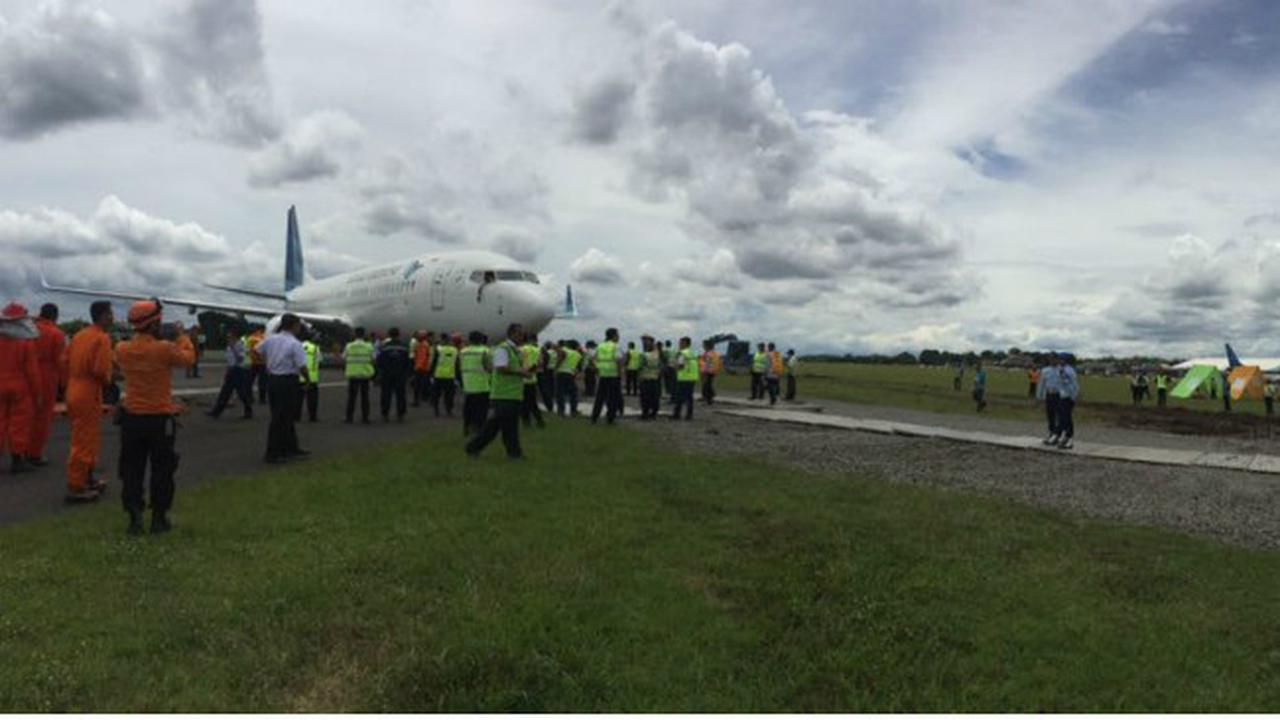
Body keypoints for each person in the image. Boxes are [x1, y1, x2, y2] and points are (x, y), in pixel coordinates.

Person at [114, 300, 195, 535]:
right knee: (162, 470)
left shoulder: (121, 348)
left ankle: (134, 518)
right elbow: (189, 359)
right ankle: (159, 518)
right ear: (154, 323)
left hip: (131, 419)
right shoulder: (164, 348)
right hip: (159, 419)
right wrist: (181, 336)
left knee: (131, 470)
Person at [65, 300, 114, 502]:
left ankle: (87, 478)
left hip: (74, 387)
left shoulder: (79, 335)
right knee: (84, 440)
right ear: (102, 316)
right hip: (88, 391)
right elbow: (100, 370)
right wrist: (111, 379)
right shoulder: (101, 338)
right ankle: (76, 486)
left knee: (87, 437)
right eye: (110, 313)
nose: (112, 317)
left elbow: (65, 359)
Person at [466, 323, 529, 459]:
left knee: (510, 427)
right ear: (511, 334)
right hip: (503, 395)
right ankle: (473, 447)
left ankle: (514, 453)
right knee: (494, 427)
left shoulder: (515, 350)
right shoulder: (503, 349)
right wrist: (521, 373)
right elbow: (501, 368)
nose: (522, 336)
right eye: (519, 333)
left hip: (513, 395)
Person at [257, 314, 309, 464]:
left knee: (285, 416)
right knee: (280, 418)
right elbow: (302, 366)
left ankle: (291, 448)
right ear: (293, 326)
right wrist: (307, 379)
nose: (299, 328)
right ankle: (272, 453)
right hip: (288, 381)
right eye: (298, 325)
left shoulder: (271, 339)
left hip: (273, 380)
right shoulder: (294, 343)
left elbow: (257, 350)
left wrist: (268, 364)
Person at [0, 303, 42, 475]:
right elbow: (32, 371)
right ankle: (17, 460)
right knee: (19, 424)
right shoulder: (24, 342)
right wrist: (37, 393)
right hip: (19, 387)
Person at [27, 303, 66, 466]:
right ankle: (34, 453)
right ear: (55, 316)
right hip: (47, 377)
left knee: (25, 415)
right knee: (42, 418)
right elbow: (61, 361)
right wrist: (64, 385)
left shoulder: (29, 329)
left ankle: (19, 450)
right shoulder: (56, 334)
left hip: (26, 375)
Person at [206, 328, 253, 419]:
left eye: (230, 337)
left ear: (235, 337)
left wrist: (233, 348)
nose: (228, 338)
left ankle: (248, 410)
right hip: (232, 370)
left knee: (241, 393)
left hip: (239, 370)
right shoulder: (229, 345)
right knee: (225, 392)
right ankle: (216, 411)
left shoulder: (241, 345)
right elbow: (229, 359)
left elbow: (240, 358)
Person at [459, 331, 492, 436]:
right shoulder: (484, 351)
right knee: (481, 409)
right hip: (482, 384)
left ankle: (466, 426)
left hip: (468, 384)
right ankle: (479, 428)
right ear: (481, 340)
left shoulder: (463, 351)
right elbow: (488, 367)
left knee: (468, 408)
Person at [377, 327, 411, 422]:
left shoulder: (384, 347)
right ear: (398, 334)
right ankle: (401, 414)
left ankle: (385, 414)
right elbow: (407, 362)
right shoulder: (404, 347)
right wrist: (407, 374)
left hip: (387, 374)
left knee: (386, 395)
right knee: (400, 394)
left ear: (389, 335)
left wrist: (379, 374)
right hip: (400, 374)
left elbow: (380, 362)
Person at [591, 328, 624, 424]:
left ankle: (594, 417)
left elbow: (592, 358)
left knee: (600, 397)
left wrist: (597, 367)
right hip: (613, 374)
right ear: (614, 336)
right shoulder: (615, 346)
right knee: (612, 397)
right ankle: (610, 418)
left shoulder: (600, 346)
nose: (618, 337)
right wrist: (620, 373)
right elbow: (618, 361)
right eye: (617, 335)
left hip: (603, 374)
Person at [343, 328, 375, 424]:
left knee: (352, 397)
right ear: (364, 334)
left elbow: (343, 357)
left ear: (355, 334)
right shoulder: (369, 346)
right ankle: (365, 418)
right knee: (365, 397)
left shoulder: (349, 346)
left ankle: (349, 418)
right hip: (365, 374)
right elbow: (373, 358)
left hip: (353, 374)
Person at [1035, 355, 1062, 447]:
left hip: (1060, 395)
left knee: (1058, 416)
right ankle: (1051, 434)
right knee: (1050, 415)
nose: (1052, 361)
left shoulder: (1062, 370)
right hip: (1049, 395)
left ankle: (1057, 436)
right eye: (1051, 359)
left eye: (1054, 359)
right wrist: (1039, 397)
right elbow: (1041, 384)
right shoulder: (1045, 370)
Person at [520, 333, 545, 429]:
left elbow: (519, 362)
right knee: (533, 402)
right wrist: (532, 370)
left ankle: (526, 421)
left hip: (522, 378)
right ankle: (539, 420)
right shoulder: (538, 350)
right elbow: (540, 363)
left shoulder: (522, 349)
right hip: (532, 378)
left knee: (523, 402)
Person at [670, 337, 698, 420]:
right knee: (689, 397)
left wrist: (674, 367)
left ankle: (676, 414)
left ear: (685, 343)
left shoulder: (682, 353)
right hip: (692, 377)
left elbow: (680, 365)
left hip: (683, 377)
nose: (679, 344)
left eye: (681, 343)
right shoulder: (693, 353)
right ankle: (689, 414)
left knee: (679, 396)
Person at [431, 334, 459, 417]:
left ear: (443, 341)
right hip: (450, 375)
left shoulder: (438, 349)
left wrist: (431, 374)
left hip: (438, 375)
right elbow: (457, 364)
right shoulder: (455, 350)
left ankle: (436, 410)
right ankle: (449, 411)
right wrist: (457, 376)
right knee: (449, 395)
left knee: (436, 394)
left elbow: (434, 362)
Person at [1056, 353, 1080, 449]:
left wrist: (1073, 396)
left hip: (1068, 397)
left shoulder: (1069, 371)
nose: (1059, 361)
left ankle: (1070, 438)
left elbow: (1074, 384)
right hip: (1062, 396)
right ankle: (1064, 437)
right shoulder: (1060, 369)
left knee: (1067, 418)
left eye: (1061, 359)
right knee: (1062, 418)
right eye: (1059, 359)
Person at [555, 339, 581, 417]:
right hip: (571, 374)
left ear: (569, 345)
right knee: (573, 393)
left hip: (561, 373)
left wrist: (555, 368)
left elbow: (560, 359)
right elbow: (576, 366)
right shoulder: (578, 354)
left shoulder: (564, 350)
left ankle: (561, 411)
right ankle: (573, 410)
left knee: (560, 393)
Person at [299, 329, 321, 422]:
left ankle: (296, 416)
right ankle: (312, 417)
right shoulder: (315, 348)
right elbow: (320, 360)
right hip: (312, 377)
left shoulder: (298, 346)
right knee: (312, 399)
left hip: (299, 377)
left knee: (298, 399)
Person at [638, 336, 661, 420]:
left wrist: (639, 378)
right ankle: (654, 413)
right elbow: (660, 365)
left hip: (645, 378)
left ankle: (645, 414)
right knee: (654, 397)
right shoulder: (657, 354)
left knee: (645, 398)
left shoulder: (643, 355)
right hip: (655, 378)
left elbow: (640, 367)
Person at [246, 325, 267, 404]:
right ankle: (262, 399)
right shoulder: (264, 338)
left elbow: (248, 350)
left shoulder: (251, 338)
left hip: (253, 362)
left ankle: (250, 398)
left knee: (249, 381)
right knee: (262, 382)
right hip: (263, 363)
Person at [411, 330, 433, 407]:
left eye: (419, 336)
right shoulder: (419, 344)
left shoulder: (424, 345)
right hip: (420, 368)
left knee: (422, 385)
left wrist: (419, 367)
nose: (418, 337)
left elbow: (425, 357)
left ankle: (421, 400)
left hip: (423, 368)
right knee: (420, 385)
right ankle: (418, 400)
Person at [699, 340, 721, 405]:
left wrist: (703, 371)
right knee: (708, 385)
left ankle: (709, 399)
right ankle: (709, 397)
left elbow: (707, 363)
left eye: (704, 345)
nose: (703, 346)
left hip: (708, 371)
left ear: (707, 346)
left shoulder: (708, 354)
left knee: (706, 386)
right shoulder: (715, 353)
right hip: (712, 371)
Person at [538, 341, 557, 412]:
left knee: (547, 383)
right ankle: (552, 395)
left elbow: (545, 361)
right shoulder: (555, 352)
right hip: (553, 368)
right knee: (551, 383)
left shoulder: (548, 352)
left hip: (546, 369)